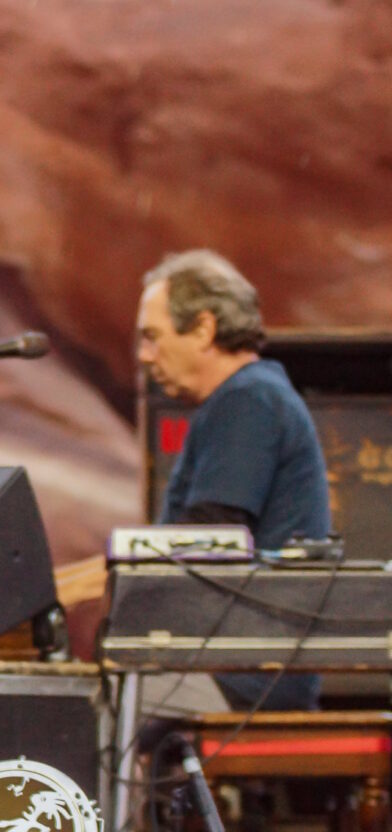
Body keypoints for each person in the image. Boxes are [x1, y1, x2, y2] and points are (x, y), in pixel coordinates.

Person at [135, 248, 331, 711]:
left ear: (203, 328)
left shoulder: (248, 400)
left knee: (89, 709)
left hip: (246, 677)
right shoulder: (247, 396)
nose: (144, 355)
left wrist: (75, 586)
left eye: (152, 336)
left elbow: (206, 541)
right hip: (234, 666)